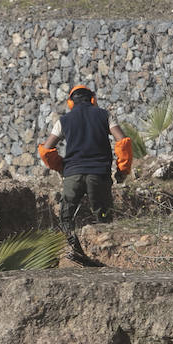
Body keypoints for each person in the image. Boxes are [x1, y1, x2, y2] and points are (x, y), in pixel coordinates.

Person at [38, 85, 133, 262]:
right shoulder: (104, 115)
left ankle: (73, 251)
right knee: (103, 217)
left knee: (66, 215)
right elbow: (123, 141)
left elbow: (46, 149)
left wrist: (60, 166)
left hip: (72, 174)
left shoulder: (64, 120)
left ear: (70, 102)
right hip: (99, 175)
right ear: (93, 100)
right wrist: (122, 170)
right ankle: (106, 258)